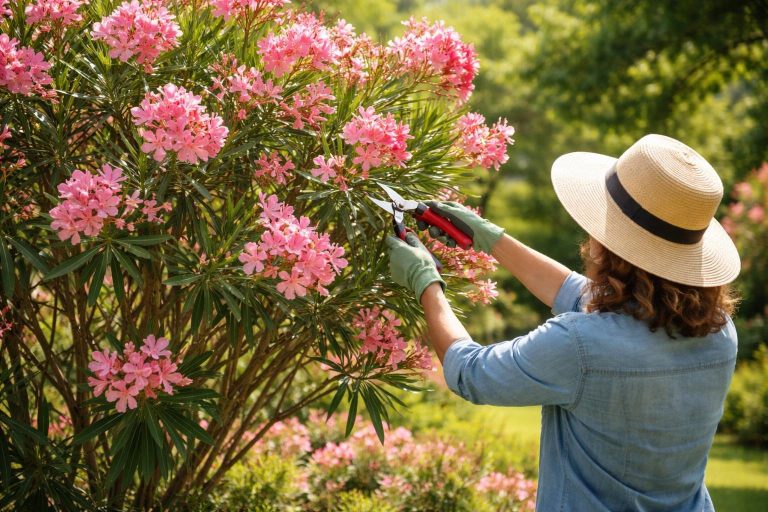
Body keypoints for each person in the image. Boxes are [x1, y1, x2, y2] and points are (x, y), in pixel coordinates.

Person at [386, 134, 741, 511]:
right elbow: (578, 293)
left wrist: (426, 284)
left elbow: (471, 372)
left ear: (611, 244)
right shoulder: (720, 333)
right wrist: (492, 239)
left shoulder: (581, 345)